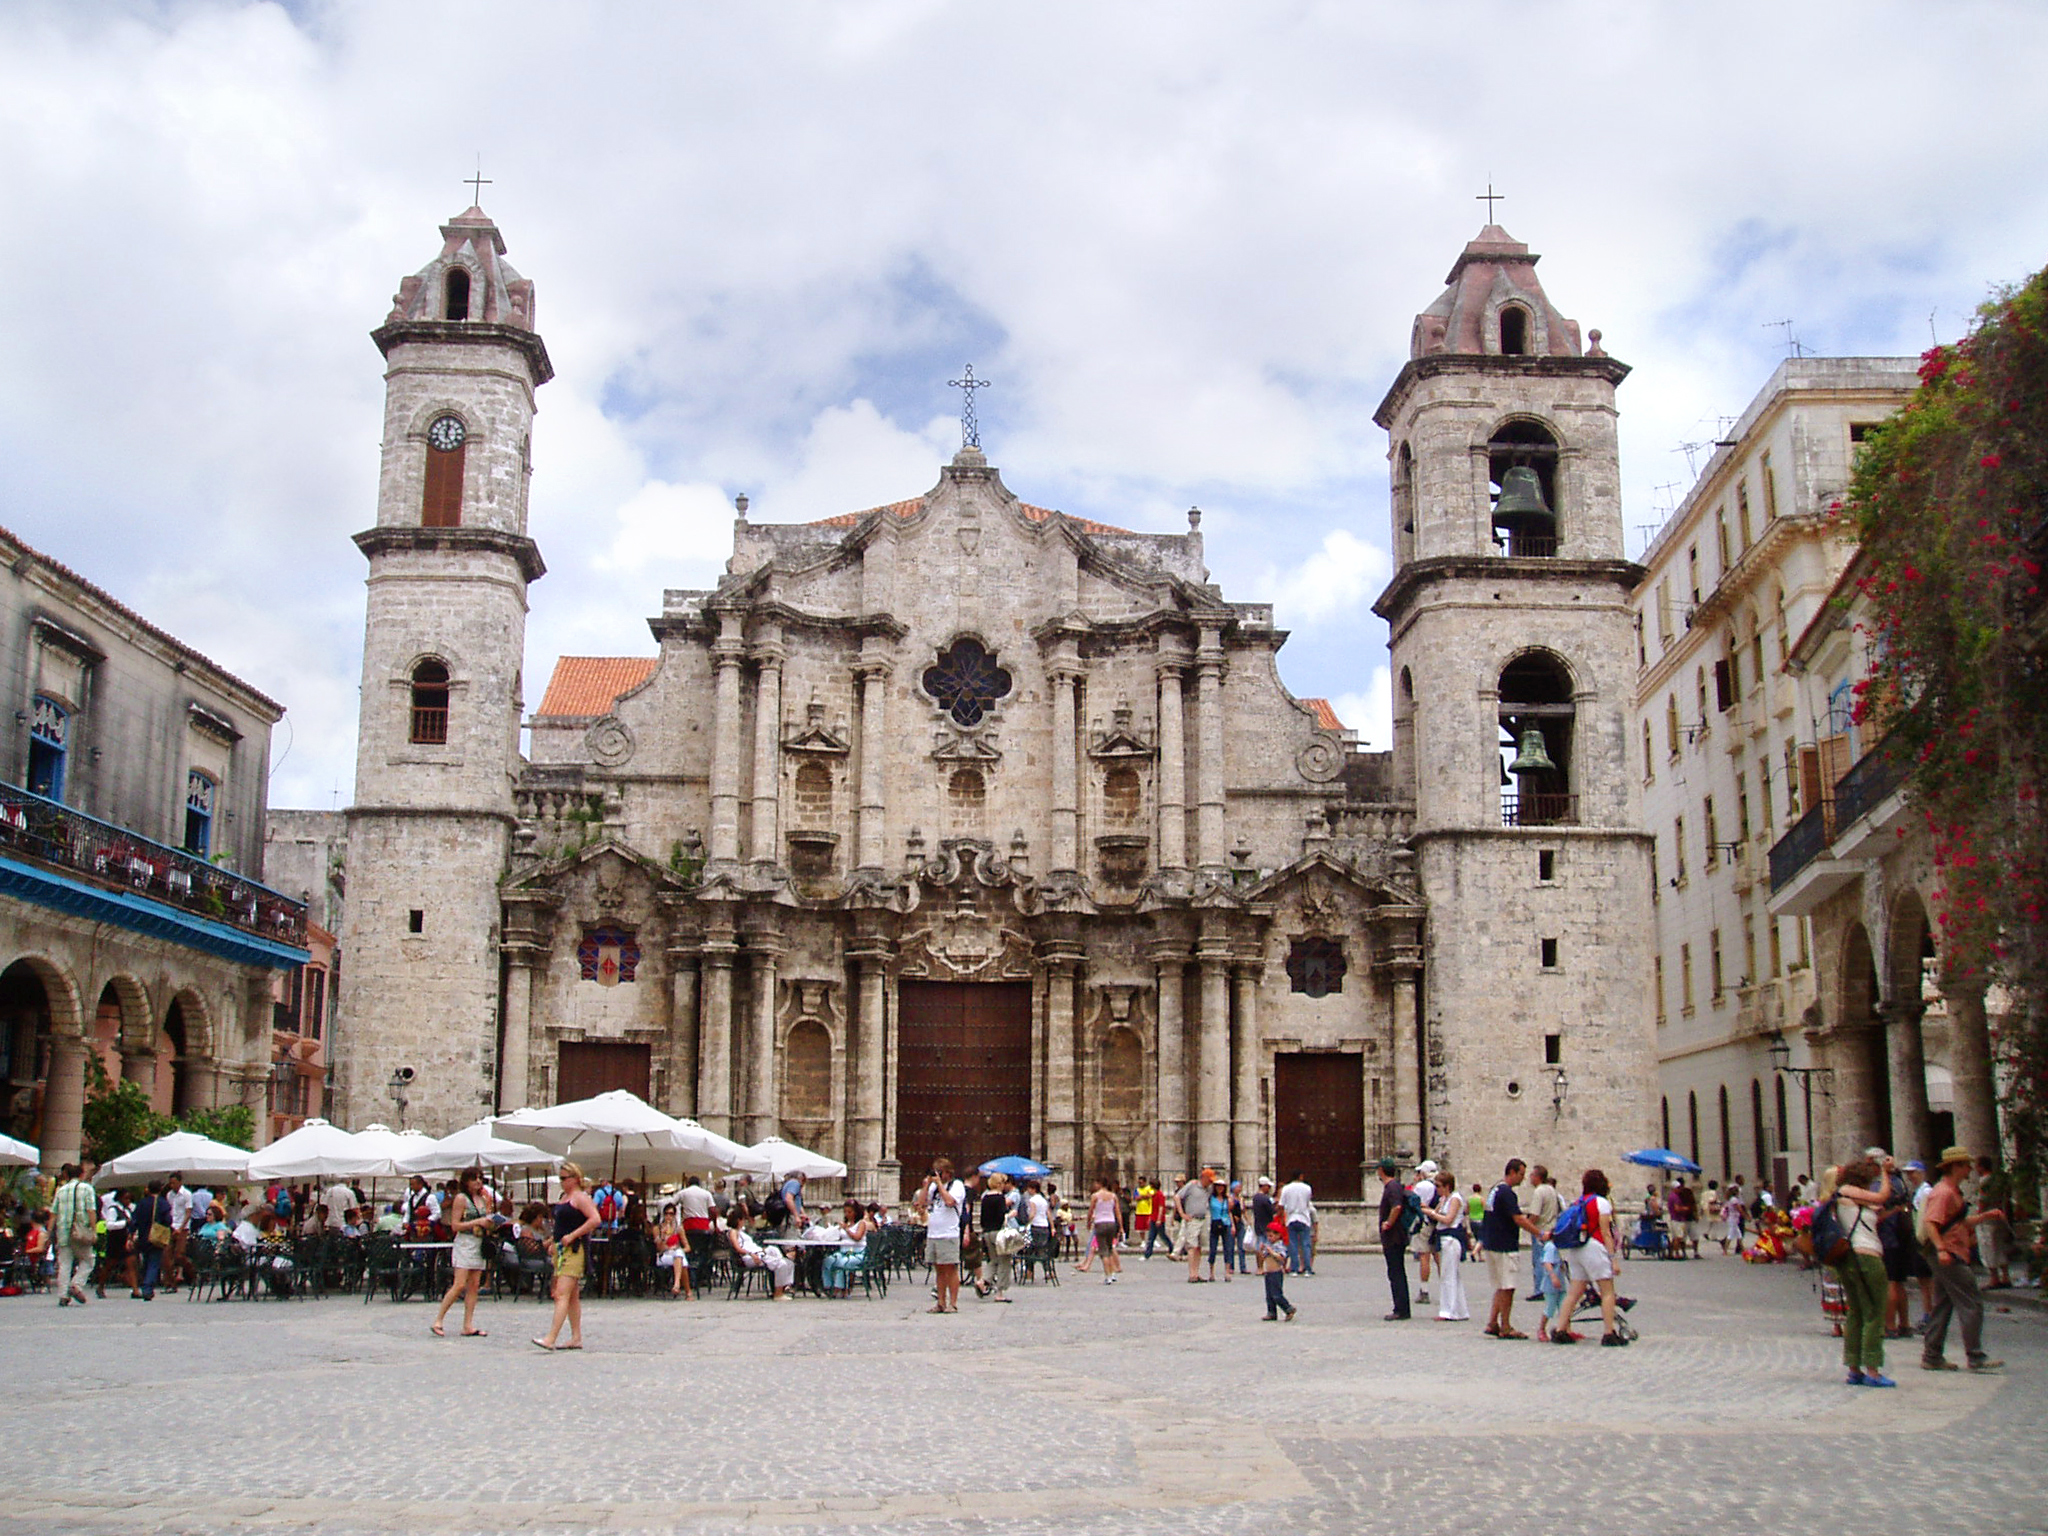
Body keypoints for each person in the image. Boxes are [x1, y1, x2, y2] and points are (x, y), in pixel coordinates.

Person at [1920, 1145, 2004, 1373]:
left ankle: (1932, 1355)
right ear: (1956, 1167)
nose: (1970, 1169)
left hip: (1950, 1252)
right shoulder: (1944, 1192)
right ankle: (1975, 1356)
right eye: (1966, 1165)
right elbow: (1931, 1222)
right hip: (1949, 1255)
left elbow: (1957, 1224)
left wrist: (1985, 1216)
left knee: (1942, 1305)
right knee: (1971, 1303)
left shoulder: (1952, 1191)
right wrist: (1941, 1249)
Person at [1829, 1155, 1895, 1387]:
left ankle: (1854, 1367)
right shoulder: (1848, 1191)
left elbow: (1874, 1207)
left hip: (1850, 1259)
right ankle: (1873, 1370)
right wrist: (1886, 1173)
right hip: (1865, 1256)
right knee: (1875, 1312)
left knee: (1856, 1312)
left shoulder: (1846, 1197)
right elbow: (1881, 1196)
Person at [1552, 1169, 1624, 1346]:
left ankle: (1561, 1328)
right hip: (1595, 1247)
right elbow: (1606, 1233)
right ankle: (1609, 1332)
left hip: (1577, 1248)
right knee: (1607, 1291)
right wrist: (1613, 1258)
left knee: (1574, 1292)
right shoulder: (1601, 1203)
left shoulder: (1578, 1201)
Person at [534, 1162, 601, 1351]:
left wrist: (573, 1235)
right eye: (560, 1179)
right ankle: (576, 1336)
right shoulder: (565, 1197)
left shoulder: (580, 1198)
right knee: (571, 1296)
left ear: (575, 1178)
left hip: (574, 1250)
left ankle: (551, 1337)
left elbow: (595, 1219)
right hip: (561, 1249)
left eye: (565, 1178)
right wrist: (552, 1241)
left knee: (561, 1293)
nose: (562, 1182)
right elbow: (560, 1225)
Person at [431, 1167, 498, 1338]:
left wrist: (490, 1222)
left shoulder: (483, 1199)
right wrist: (477, 1221)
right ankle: (438, 1319)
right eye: (474, 1178)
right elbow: (455, 1225)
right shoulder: (461, 1199)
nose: (478, 1182)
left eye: (480, 1178)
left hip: (478, 1242)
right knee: (459, 1284)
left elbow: (486, 1220)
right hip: (465, 1242)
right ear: (466, 1181)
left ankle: (468, 1324)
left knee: (474, 1285)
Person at [1480, 1159, 1543, 1339]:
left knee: (1500, 1285)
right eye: (1521, 1174)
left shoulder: (1495, 1189)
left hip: (1492, 1242)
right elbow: (1519, 1218)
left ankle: (1493, 1322)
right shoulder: (1507, 1193)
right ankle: (1505, 1326)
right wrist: (1539, 1233)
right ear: (1512, 1172)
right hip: (1505, 1244)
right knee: (1508, 1286)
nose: (1523, 1179)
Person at [917, 1157, 967, 1313]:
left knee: (950, 1268)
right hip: (934, 1233)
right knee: (938, 1269)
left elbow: (950, 1202)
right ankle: (941, 1302)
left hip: (949, 1233)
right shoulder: (933, 1188)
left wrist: (939, 1184)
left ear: (948, 1173)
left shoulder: (957, 1185)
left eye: (940, 1172)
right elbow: (921, 1204)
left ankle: (953, 1303)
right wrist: (926, 1186)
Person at [1426, 1169, 1469, 1321]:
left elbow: (1448, 1219)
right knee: (1452, 1275)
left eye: (1438, 1186)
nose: (1437, 1189)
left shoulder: (1455, 1199)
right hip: (1444, 1238)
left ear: (1447, 1186)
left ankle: (1448, 1311)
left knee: (1448, 1276)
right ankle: (1460, 1310)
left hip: (1451, 1238)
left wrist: (1433, 1214)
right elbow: (1435, 1213)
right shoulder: (1445, 1199)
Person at [51, 1163, 96, 1308]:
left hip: (63, 1232)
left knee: (65, 1264)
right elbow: (91, 1210)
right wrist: (93, 1230)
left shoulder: (61, 1190)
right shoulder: (87, 1189)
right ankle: (76, 1284)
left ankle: (63, 1295)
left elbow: (53, 1213)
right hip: (81, 1231)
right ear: (81, 1174)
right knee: (88, 1260)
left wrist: (48, 1233)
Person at [1375, 1158, 1412, 1320]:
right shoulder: (1393, 1186)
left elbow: (1397, 1206)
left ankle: (1401, 1309)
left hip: (1394, 1237)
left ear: (1382, 1170)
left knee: (1396, 1272)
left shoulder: (1392, 1187)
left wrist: (1388, 1223)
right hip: (1394, 1237)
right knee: (1396, 1272)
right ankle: (1400, 1307)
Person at [128, 1179, 170, 1301]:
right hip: (156, 1236)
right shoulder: (162, 1203)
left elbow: (134, 1220)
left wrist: (131, 1235)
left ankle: (146, 1284)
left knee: (146, 1261)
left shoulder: (142, 1203)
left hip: (143, 1236)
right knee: (154, 1262)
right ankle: (147, 1287)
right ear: (161, 1189)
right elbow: (168, 1220)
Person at [977, 1174, 1016, 1302]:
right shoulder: (1000, 1198)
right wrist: (1010, 1215)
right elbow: (1001, 1217)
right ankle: (1000, 1292)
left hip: (987, 1232)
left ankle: (983, 1281)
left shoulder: (985, 1198)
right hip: (998, 1233)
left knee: (993, 1260)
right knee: (1004, 1261)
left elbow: (982, 1219)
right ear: (999, 1184)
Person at [1174, 1170, 1211, 1283]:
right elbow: (1177, 1197)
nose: (1210, 1182)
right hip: (1193, 1218)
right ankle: (1191, 1274)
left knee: (1199, 1247)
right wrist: (1182, 1214)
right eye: (1209, 1179)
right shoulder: (1191, 1185)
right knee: (1192, 1246)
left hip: (1203, 1218)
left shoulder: (1209, 1188)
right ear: (1203, 1177)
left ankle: (1196, 1272)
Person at [1410, 1160, 1440, 1303]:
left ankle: (1424, 1290)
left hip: (1425, 1222)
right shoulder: (1439, 1183)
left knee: (1424, 1256)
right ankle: (1447, 1288)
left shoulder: (1422, 1186)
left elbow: (1413, 1202)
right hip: (1438, 1222)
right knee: (1438, 1256)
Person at [1256, 1218, 1296, 1322]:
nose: (1269, 1238)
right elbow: (1263, 1257)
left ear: (1278, 1236)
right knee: (1269, 1295)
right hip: (1268, 1272)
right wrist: (1261, 1250)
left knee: (1276, 1294)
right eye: (1268, 1236)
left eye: (1271, 1236)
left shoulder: (1279, 1245)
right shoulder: (1269, 1246)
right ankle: (1271, 1312)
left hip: (1276, 1273)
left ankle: (1288, 1308)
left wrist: (1272, 1252)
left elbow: (1282, 1258)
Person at [1277, 1172, 1313, 1276]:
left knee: (1292, 1244)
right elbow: (1307, 1203)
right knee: (1305, 1244)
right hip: (1304, 1218)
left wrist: (1282, 1218)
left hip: (1291, 1218)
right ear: (1301, 1176)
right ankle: (1307, 1268)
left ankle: (1294, 1268)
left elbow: (1281, 1205)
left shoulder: (1286, 1189)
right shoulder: (1307, 1188)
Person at [1535, 1235, 1567, 1341]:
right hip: (1551, 1283)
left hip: (1561, 1283)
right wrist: (1553, 1277)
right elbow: (1547, 1263)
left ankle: (1565, 1329)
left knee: (1564, 1308)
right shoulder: (1550, 1247)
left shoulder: (1558, 1247)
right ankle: (1541, 1329)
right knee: (1550, 1308)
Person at [1205, 1178, 1232, 1282]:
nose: (1219, 1188)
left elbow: (1229, 1212)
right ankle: (1211, 1272)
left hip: (1226, 1224)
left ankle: (1227, 1271)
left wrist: (1232, 1225)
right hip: (1215, 1223)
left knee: (1228, 1248)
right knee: (1213, 1248)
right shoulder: (1211, 1198)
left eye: (1221, 1186)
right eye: (1217, 1186)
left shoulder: (1227, 1199)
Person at [1666, 1178, 1696, 1255]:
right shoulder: (1675, 1197)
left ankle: (1671, 1252)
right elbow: (1677, 1208)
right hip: (1677, 1219)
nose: (1680, 1189)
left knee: (1676, 1237)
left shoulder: (1672, 1196)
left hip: (1675, 1218)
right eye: (1678, 1188)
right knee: (1678, 1237)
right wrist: (1685, 1208)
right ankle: (1676, 1253)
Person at [1719, 1178, 1747, 1255]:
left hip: (1734, 1218)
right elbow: (1739, 1209)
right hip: (1733, 1219)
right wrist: (1745, 1216)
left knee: (1739, 1234)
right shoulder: (1734, 1200)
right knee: (1731, 1234)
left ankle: (1743, 1249)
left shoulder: (1730, 1199)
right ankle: (1725, 1250)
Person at [1133, 1178, 1156, 1260]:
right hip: (1139, 1211)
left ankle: (1152, 1240)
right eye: (1139, 1182)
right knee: (1141, 1228)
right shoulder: (1137, 1189)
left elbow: (1151, 1195)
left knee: (1150, 1227)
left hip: (1148, 1210)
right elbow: (1136, 1198)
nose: (1140, 1184)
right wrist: (1144, 1196)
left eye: (1141, 1182)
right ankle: (1143, 1241)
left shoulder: (1149, 1188)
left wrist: (1142, 1196)